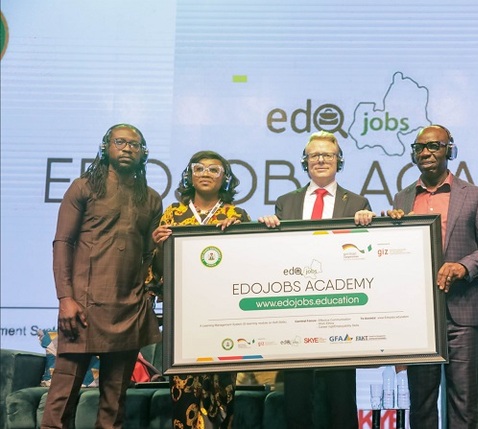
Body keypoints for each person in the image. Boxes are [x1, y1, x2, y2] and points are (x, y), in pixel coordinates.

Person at [41, 124, 163, 429]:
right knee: (61, 398)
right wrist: (65, 298)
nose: (127, 148)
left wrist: (147, 290)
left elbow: (149, 254)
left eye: (135, 145)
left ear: (143, 154)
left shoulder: (150, 198)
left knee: (115, 401)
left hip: (128, 307)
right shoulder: (82, 188)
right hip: (82, 306)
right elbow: (62, 243)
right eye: (120, 142)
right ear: (105, 147)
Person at [388, 124, 478, 429]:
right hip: (420, 316)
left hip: (461, 312)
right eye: (419, 148)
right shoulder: (402, 199)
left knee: (463, 401)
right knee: (422, 403)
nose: (425, 152)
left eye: (434, 146)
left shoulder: (474, 195)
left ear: (449, 150)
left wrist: (463, 266)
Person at [259, 130, 373, 429]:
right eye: (314, 155)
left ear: (339, 161)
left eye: (328, 155)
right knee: (296, 400)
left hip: (340, 310)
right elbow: (278, 254)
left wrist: (367, 226)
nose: (321, 159)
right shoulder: (286, 203)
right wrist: (269, 229)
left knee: (341, 399)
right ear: (305, 161)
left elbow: (367, 257)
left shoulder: (358, 202)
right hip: (297, 309)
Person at [150, 150, 250, 429]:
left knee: (222, 396)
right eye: (199, 168)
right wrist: (157, 245)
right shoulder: (173, 213)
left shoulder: (237, 215)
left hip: (222, 317)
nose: (205, 174)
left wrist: (239, 236)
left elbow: (249, 265)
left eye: (214, 170)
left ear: (225, 179)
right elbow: (157, 271)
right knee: (184, 397)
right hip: (182, 320)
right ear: (189, 176)